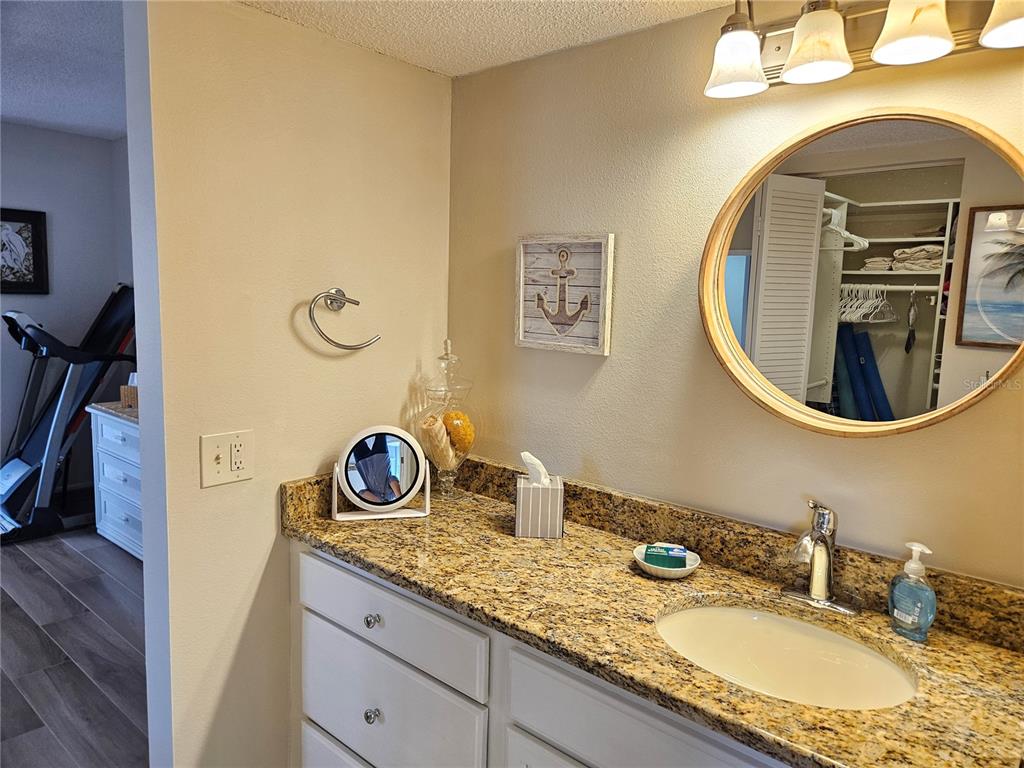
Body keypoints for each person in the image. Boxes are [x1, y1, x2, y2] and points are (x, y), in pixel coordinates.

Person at [350, 434, 402, 503]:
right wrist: (400, 498)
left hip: (363, 462)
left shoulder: (373, 503)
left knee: (355, 437)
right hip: (381, 457)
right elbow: (392, 478)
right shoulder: (392, 495)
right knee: (381, 433)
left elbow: (361, 492)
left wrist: (379, 503)